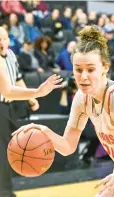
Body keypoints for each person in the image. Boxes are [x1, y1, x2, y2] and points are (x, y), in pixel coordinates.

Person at [12, 26, 114, 197]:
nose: (83, 76)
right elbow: (68, 146)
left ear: (105, 67)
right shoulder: (81, 99)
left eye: (90, 70)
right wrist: (44, 131)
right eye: (78, 69)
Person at [0, 27, 62, 197]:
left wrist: (31, 97)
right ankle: (4, 192)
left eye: (4, 38)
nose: (1, 42)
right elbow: (5, 90)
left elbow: (17, 80)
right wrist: (37, 92)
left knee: (11, 147)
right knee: (3, 150)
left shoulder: (11, 56)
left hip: (9, 106)